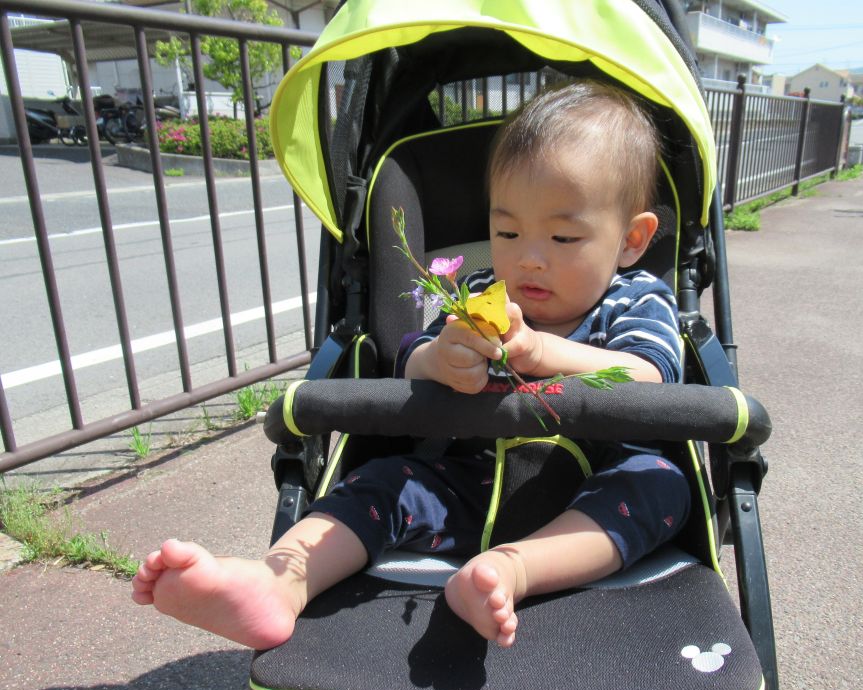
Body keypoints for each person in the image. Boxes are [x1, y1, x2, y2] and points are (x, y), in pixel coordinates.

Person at [131, 80, 691, 650]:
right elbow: (410, 360)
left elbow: (651, 376)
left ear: (631, 239)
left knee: (661, 486)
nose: (529, 257)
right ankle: (277, 581)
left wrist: (542, 353)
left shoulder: (636, 299)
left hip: (594, 494)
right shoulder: (478, 292)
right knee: (380, 483)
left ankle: (512, 570)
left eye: (564, 235)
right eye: (507, 231)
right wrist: (440, 358)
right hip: (466, 487)